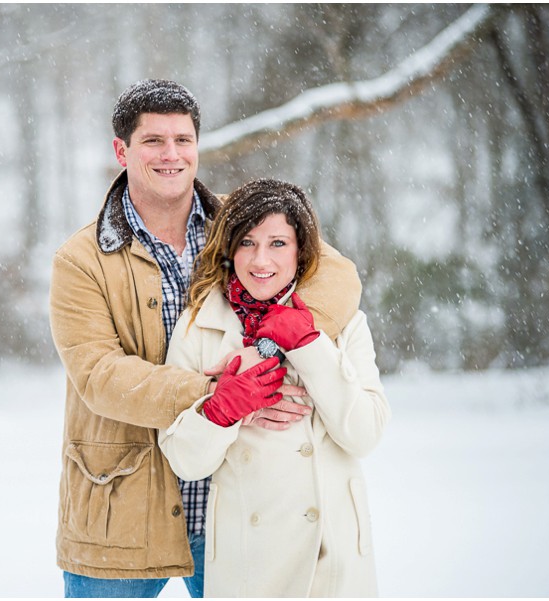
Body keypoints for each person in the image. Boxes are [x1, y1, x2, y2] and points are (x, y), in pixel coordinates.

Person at [48, 80, 363, 598]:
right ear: (121, 151)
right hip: (119, 505)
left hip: (231, 504)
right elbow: (99, 377)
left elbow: (339, 277)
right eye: (153, 141)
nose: (171, 155)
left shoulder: (239, 228)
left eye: (183, 140)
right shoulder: (82, 259)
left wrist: (274, 357)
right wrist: (214, 396)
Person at [158, 178, 391, 597]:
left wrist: (310, 345)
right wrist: (220, 409)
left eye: (278, 243)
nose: (260, 260)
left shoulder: (340, 321)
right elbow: (184, 463)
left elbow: (365, 434)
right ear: (229, 250)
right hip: (251, 566)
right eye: (247, 242)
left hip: (333, 563)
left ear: (301, 249)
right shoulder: (200, 326)